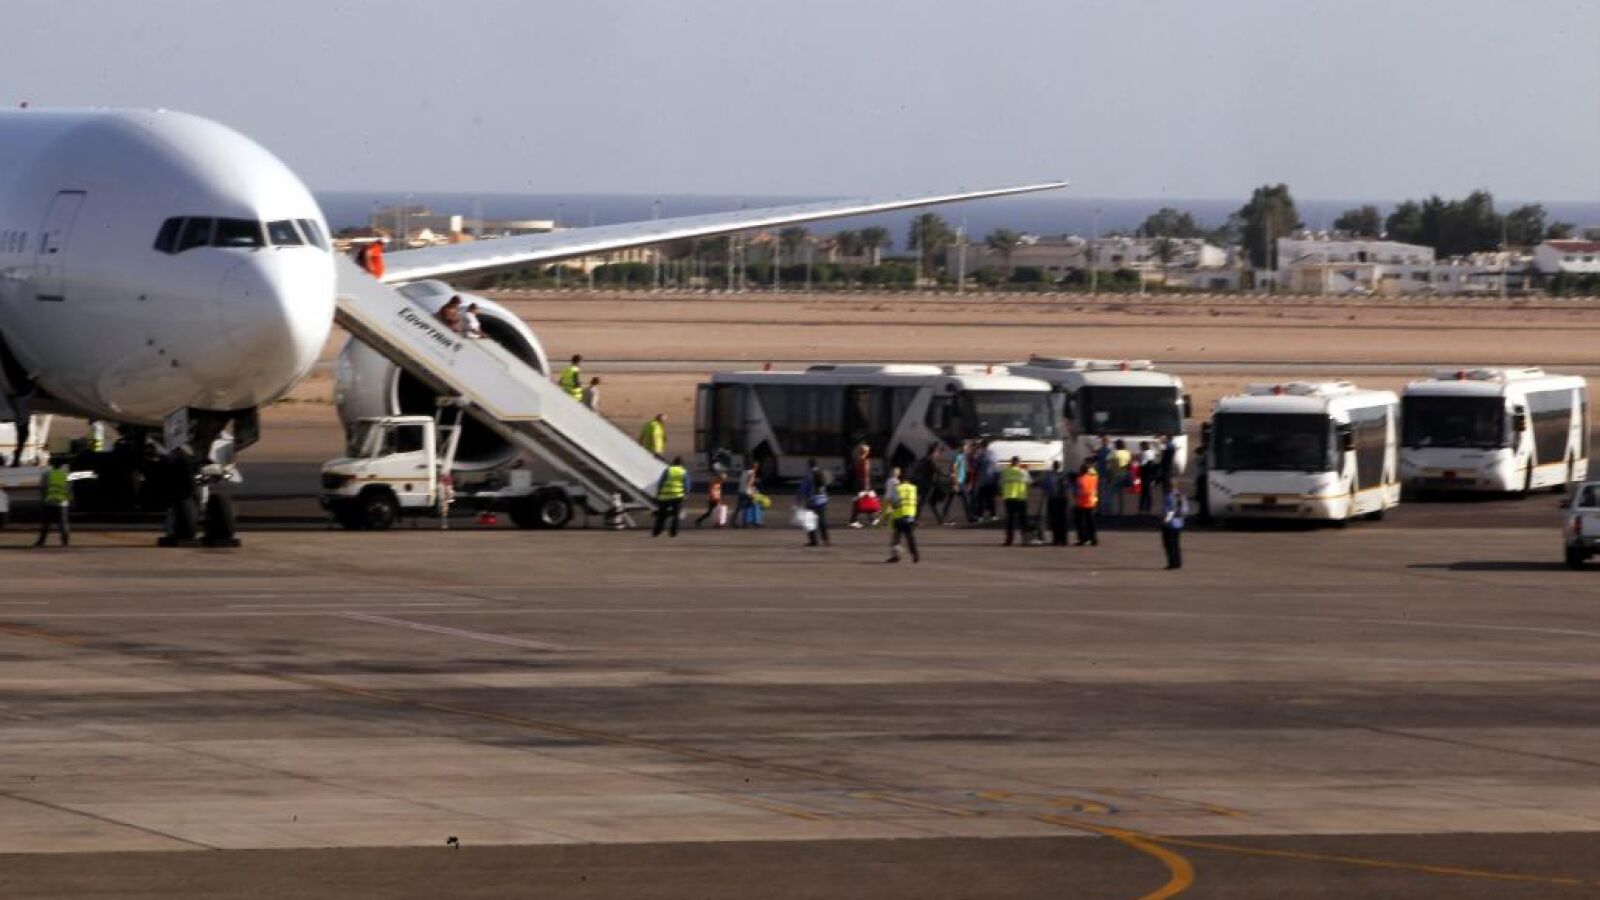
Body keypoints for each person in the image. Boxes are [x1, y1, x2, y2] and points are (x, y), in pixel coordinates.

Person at [33, 458, 71, 547]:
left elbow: (42, 488)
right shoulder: (66, 475)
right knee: (63, 523)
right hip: (62, 502)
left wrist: (42, 500)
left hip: (49, 502)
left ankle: (41, 541)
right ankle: (65, 541)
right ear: (62, 466)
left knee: (46, 523)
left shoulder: (47, 474)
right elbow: (69, 489)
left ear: (52, 465)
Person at [651, 457, 689, 538]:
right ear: (681, 464)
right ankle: (673, 532)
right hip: (677, 496)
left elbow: (661, 482)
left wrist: (658, 493)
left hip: (665, 495)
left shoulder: (668, 470)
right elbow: (686, 484)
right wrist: (686, 494)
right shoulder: (683, 472)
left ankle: (657, 532)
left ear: (673, 462)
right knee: (676, 515)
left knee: (661, 515)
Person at [886, 476, 920, 563]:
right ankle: (915, 555)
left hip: (899, 516)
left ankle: (896, 556)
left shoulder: (897, 488)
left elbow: (894, 503)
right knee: (910, 537)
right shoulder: (913, 488)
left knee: (896, 538)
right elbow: (916, 502)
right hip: (910, 516)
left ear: (900, 480)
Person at [797, 459, 830, 547]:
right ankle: (826, 540)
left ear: (809, 465)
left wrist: (798, 500)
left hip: (812, 501)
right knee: (822, 521)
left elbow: (803, 489)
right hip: (822, 500)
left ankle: (813, 541)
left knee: (809, 520)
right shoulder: (821, 473)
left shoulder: (809, 475)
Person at [999, 456, 1031, 546]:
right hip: (1021, 498)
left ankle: (1009, 540)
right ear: (1019, 463)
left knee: (1010, 520)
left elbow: (1000, 484)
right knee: (1023, 520)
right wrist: (1028, 493)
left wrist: (1002, 493)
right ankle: (1025, 540)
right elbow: (1029, 483)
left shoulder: (1005, 472)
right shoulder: (1023, 472)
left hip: (1009, 498)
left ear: (1011, 462)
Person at [1161, 481, 1189, 569]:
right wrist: (1181, 518)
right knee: (1176, 544)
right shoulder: (1181, 496)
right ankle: (1178, 562)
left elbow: (1169, 510)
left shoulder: (1168, 497)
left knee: (1169, 544)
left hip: (1170, 524)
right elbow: (1185, 510)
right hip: (1179, 523)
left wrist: (1165, 521)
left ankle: (1172, 563)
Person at [1042, 460, 1071, 546]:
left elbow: (1045, 486)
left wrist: (1046, 491)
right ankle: (1064, 540)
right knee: (1063, 520)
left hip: (1053, 499)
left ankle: (1056, 539)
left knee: (1055, 520)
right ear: (1059, 466)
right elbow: (1068, 486)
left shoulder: (1049, 475)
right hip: (1063, 499)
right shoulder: (1064, 475)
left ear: (1053, 466)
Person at [1074, 461, 1099, 546]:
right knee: (1091, 522)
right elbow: (1095, 474)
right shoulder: (1093, 478)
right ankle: (1093, 539)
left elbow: (1080, 491)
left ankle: (1083, 539)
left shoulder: (1080, 479)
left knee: (1081, 523)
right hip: (1091, 502)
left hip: (1081, 503)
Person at [946, 441, 972, 524]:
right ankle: (970, 517)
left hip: (961, 481)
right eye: (966, 447)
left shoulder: (963, 456)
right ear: (961, 447)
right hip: (957, 482)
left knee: (951, 500)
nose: (967, 448)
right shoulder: (958, 456)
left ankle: (943, 517)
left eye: (967, 447)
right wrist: (955, 483)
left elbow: (964, 469)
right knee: (965, 499)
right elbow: (953, 469)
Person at [974, 440, 999, 522]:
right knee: (991, 499)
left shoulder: (979, 454)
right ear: (988, 445)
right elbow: (996, 467)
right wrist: (996, 479)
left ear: (981, 445)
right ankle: (993, 515)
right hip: (991, 479)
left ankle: (980, 516)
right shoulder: (993, 454)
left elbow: (975, 466)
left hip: (982, 480)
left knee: (981, 499)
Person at [1109, 439, 1133, 516]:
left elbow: (1110, 466)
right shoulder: (1127, 453)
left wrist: (1110, 476)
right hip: (1125, 475)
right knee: (1121, 494)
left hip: (1116, 475)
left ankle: (1111, 510)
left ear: (1116, 445)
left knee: (1111, 494)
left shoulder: (1114, 453)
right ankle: (1121, 511)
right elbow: (1129, 465)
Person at [1136, 440, 1156, 515]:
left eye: (1141, 446)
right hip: (1151, 474)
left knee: (1145, 492)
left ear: (1143, 446)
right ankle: (1147, 507)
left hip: (1145, 474)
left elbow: (1143, 464)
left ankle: (1142, 507)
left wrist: (1139, 460)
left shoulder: (1144, 453)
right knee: (1147, 491)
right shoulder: (1151, 452)